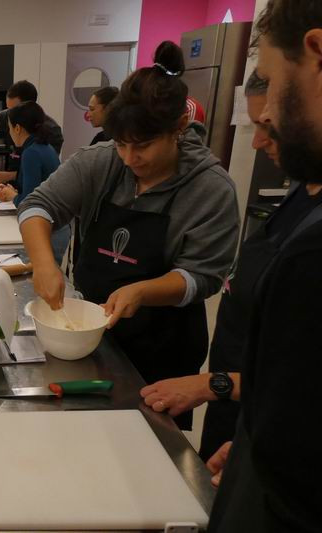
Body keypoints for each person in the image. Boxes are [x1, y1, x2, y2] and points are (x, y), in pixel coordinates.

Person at [18, 41, 239, 430]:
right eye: (121, 144)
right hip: (89, 339)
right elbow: (38, 206)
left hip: (163, 350)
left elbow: (203, 275)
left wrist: (142, 291)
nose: (129, 158)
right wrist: (43, 263)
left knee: (147, 447)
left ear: (178, 128)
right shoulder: (101, 162)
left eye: (143, 146)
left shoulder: (211, 189)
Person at [208, 2, 322, 530]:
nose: (260, 133)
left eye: (273, 82)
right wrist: (252, 443)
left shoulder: (313, 254)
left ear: (317, 53)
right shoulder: (307, 200)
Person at [139, 71, 279, 462]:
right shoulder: (302, 200)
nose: (257, 141)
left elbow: (302, 381)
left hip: (267, 424)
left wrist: (213, 385)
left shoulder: (212, 188)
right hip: (239, 414)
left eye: (269, 126)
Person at [0, 80, 64, 186]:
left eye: (13, 109)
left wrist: (10, 176)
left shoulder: (50, 132)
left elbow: (42, 174)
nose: (9, 116)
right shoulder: (9, 116)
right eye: (8, 109)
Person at [0, 102, 59, 207]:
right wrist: (12, 192)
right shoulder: (46, 146)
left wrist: (12, 196)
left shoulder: (31, 153)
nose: (10, 133)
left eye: (9, 128)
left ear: (17, 128)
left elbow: (28, 203)